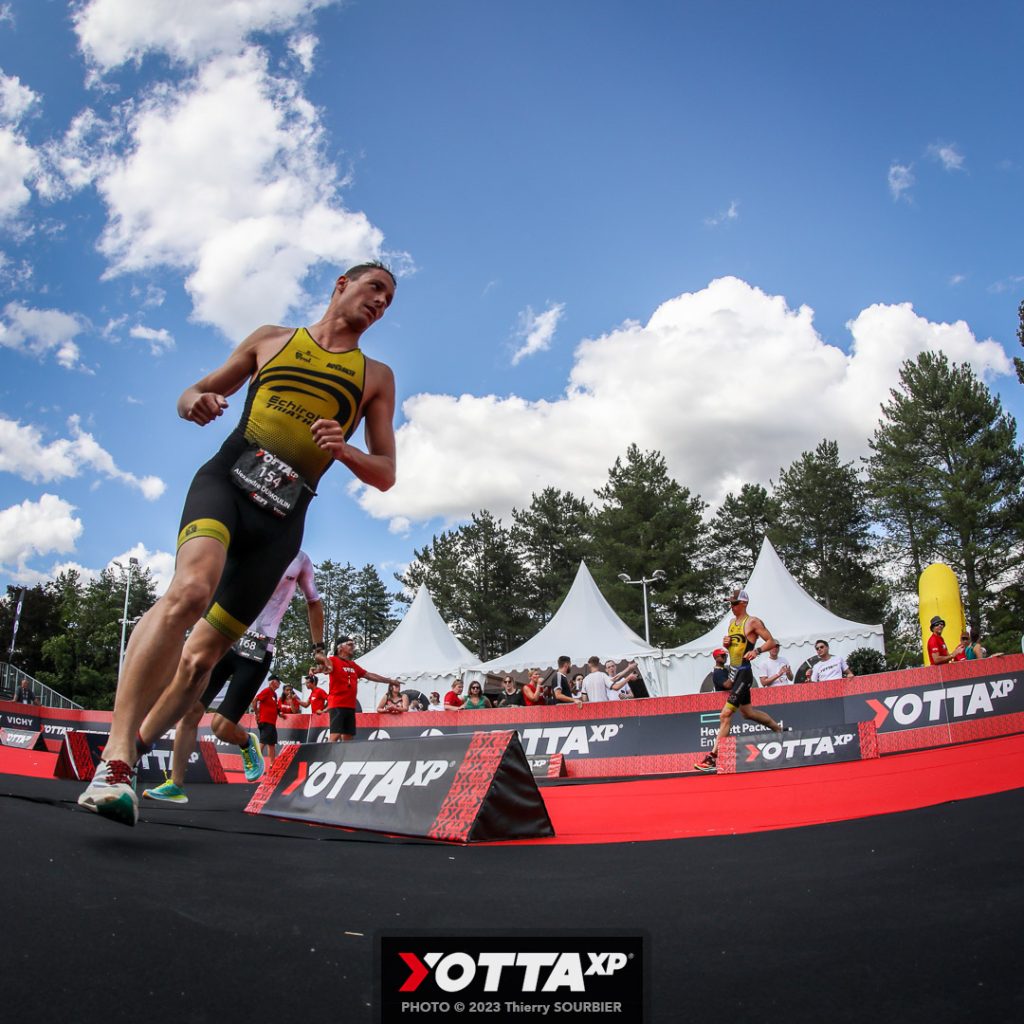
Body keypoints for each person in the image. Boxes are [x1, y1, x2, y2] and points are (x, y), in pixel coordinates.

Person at [79, 262, 398, 826]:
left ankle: (130, 758)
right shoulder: (271, 340)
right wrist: (193, 403)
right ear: (341, 285)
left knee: (201, 659)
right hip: (226, 484)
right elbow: (195, 391)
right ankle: (116, 755)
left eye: (389, 300)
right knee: (190, 592)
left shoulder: (375, 375)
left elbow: (386, 472)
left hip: (282, 521)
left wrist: (346, 450)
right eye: (375, 287)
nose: (381, 302)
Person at [141, 549, 324, 804]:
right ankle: (175, 784)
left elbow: (314, 602)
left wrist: (318, 648)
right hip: (223, 639)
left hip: (258, 651)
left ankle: (246, 742)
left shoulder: (300, 561)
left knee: (221, 727)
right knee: (190, 709)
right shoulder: (245, 545)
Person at [695, 590, 789, 773]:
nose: (731, 607)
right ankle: (779, 730)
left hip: (744, 673)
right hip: (734, 672)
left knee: (725, 715)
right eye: (730, 603)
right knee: (747, 713)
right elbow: (734, 647)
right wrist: (727, 644)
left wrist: (757, 651)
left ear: (744, 603)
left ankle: (712, 757)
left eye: (734, 603)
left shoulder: (753, 621)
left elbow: (771, 641)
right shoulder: (732, 623)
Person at [316, 636, 399, 742]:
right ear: (340, 648)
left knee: (348, 738)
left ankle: (344, 754)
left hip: (350, 706)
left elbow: (369, 675)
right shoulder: (333, 660)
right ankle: (327, 753)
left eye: (353, 645)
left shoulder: (353, 665)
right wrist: (323, 662)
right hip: (337, 704)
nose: (353, 647)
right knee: (335, 736)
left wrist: (389, 681)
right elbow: (319, 657)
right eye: (349, 644)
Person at [252, 674, 283, 766]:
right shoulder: (267, 691)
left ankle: (272, 764)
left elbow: (275, 708)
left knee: (271, 744)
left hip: (272, 722)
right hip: (265, 721)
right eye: (278, 681)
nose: (279, 683)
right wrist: (257, 713)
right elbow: (255, 700)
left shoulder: (275, 694)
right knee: (263, 742)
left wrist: (280, 713)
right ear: (273, 682)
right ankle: (255, 763)